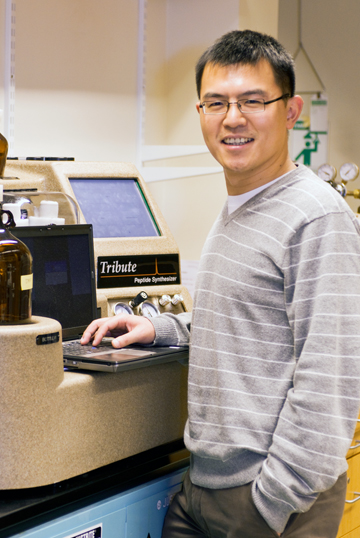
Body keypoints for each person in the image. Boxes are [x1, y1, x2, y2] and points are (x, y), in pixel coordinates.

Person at [81, 30, 360, 537]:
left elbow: (332, 380)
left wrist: (271, 503)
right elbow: (250, 316)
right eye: (217, 103)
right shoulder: (241, 208)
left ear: (291, 110)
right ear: (201, 112)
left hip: (271, 502)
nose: (233, 118)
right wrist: (159, 327)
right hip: (203, 489)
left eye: (253, 101)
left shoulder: (317, 216)